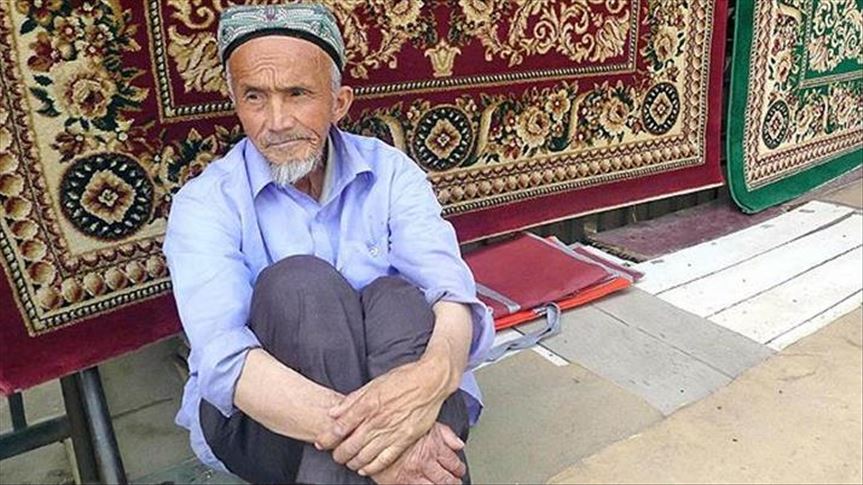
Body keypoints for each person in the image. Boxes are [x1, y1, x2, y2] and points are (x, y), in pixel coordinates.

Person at [163, 3, 494, 483]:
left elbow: (451, 294)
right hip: (264, 421)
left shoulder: (391, 172)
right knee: (299, 285)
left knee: (396, 299)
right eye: (255, 97)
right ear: (235, 101)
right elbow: (225, 358)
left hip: (405, 392)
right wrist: (388, 444)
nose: (277, 121)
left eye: (297, 94)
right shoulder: (205, 202)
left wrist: (434, 377)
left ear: (339, 103)